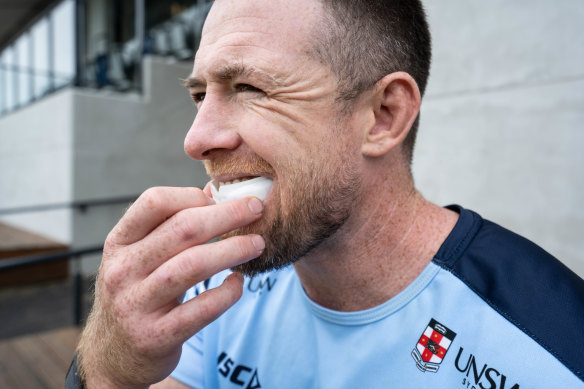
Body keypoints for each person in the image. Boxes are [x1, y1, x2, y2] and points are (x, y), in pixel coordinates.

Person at [67, 0, 584, 388]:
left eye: (250, 88)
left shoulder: (552, 348)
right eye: (201, 94)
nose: (196, 139)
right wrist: (108, 367)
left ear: (383, 116)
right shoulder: (209, 291)